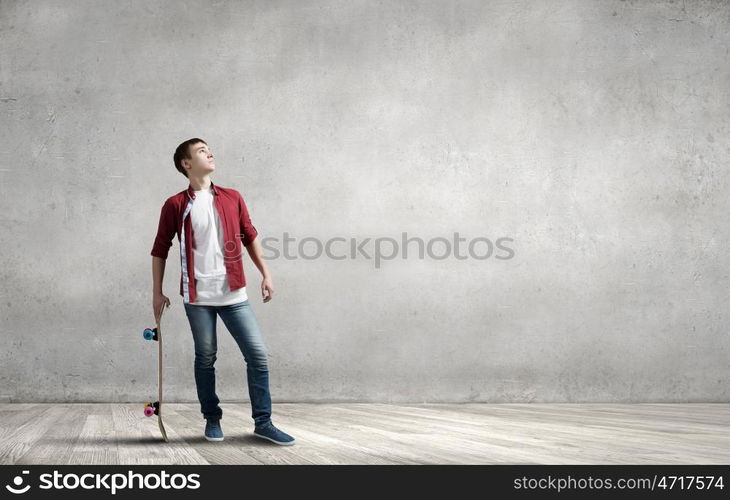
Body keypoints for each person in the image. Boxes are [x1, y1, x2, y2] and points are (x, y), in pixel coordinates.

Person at [150, 137, 295, 445]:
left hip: (233, 294)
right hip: (197, 297)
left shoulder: (232, 197)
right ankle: (212, 418)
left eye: (209, 148)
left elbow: (250, 236)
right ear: (186, 163)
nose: (210, 153)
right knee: (205, 357)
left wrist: (266, 275)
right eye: (202, 150)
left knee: (257, 356)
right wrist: (157, 292)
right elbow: (160, 249)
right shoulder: (175, 205)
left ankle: (263, 422)